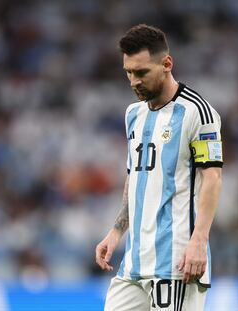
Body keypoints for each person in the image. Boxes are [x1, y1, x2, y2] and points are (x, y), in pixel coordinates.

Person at [95, 24, 223, 311]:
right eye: (128, 72)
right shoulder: (134, 114)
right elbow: (136, 176)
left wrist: (199, 241)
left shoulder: (197, 112)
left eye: (141, 73)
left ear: (167, 64)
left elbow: (212, 177)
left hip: (176, 261)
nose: (133, 81)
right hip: (135, 262)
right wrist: (116, 231)